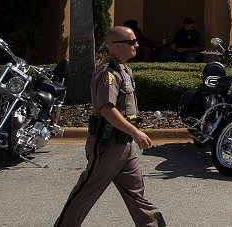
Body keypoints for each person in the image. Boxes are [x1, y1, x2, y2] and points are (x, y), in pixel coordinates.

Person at [55, 26, 164, 226]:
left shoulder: (124, 70)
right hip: (108, 145)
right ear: (116, 45)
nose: (136, 45)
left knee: (136, 194)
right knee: (87, 191)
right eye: (131, 42)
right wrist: (136, 132)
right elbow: (107, 110)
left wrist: (132, 134)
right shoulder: (108, 73)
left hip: (125, 144)